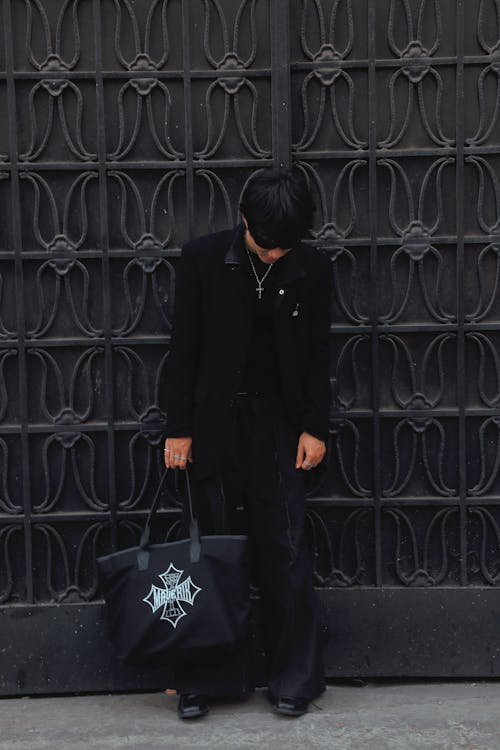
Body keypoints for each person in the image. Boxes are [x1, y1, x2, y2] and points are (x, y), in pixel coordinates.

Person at [164, 167, 332, 719]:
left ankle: (294, 679)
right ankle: (203, 679)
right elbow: (182, 347)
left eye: (285, 246)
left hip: (278, 426)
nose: (273, 254)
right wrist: (178, 427)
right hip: (213, 425)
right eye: (265, 245)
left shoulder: (310, 266)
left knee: (285, 549)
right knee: (210, 549)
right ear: (243, 220)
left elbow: (316, 355)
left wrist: (314, 426)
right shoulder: (203, 260)